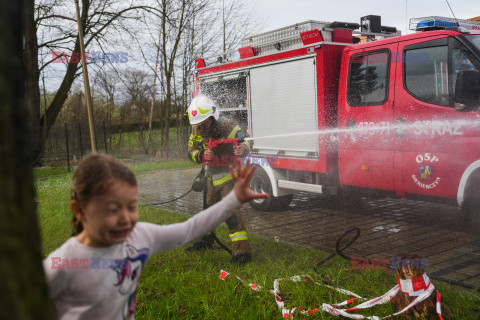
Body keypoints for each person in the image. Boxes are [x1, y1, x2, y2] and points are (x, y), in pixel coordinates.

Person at [42, 153, 267, 320]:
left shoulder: (139, 237)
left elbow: (191, 229)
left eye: (131, 206)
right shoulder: (61, 264)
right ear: (79, 211)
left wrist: (234, 199)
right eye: (111, 209)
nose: (125, 218)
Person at [186, 95, 253, 265]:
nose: (201, 127)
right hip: (210, 177)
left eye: (204, 123)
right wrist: (200, 155)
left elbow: (247, 140)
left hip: (229, 177)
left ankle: (242, 253)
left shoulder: (227, 126)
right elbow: (191, 150)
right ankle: (206, 240)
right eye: (198, 124)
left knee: (231, 214)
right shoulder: (196, 128)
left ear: (212, 117)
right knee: (207, 211)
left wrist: (242, 149)